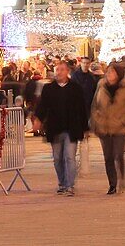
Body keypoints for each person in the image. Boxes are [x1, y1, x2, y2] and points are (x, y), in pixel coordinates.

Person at [34, 61, 89, 196]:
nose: (59, 72)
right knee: (58, 158)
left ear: (67, 72)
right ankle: (62, 183)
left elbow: (82, 109)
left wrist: (85, 128)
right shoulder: (49, 89)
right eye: (57, 70)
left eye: (62, 70)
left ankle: (70, 185)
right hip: (55, 128)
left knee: (70, 157)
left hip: (72, 128)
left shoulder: (75, 88)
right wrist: (38, 120)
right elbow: (43, 107)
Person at [91, 64, 125, 194]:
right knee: (108, 157)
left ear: (118, 74)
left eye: (112, 72)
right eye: (108, 72)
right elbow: (95, 105)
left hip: (119, 127)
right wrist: (98, 118)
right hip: (104, 127)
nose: (109, 74)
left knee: (118, 154)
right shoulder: (101, 85)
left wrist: (123, 120)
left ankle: (121, 178)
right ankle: (112, 184)